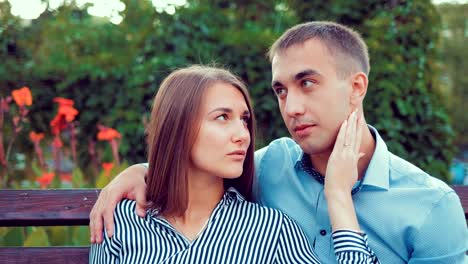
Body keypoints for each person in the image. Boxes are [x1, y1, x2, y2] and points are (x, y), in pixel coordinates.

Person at [90, 21, 468, 263]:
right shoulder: (268, 166)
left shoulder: (431, 207)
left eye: (307, 83)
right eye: (281, 90)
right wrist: (140, 172)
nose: (292, 107)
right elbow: (196, 167)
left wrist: (338, 195)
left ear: (356, 88)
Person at [89, 65, 379, 263]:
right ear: (177, 127)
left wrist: (338, 194)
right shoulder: (122, 222)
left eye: (244, 120)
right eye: (222, 117)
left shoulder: (272, 231)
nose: (242, 135)